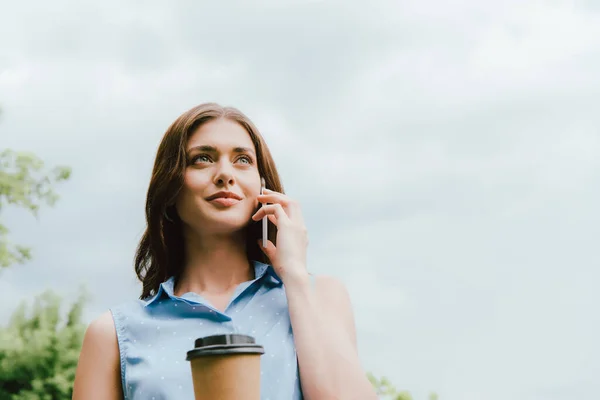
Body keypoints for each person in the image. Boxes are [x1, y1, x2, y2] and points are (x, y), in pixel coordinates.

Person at [72, 103, 377, 399]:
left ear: (262, 187)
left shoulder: (319, 295)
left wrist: (294, 274)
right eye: (202, 159)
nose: (224, 174)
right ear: (170, 186)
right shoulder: (112, 334)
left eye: (243, 160)